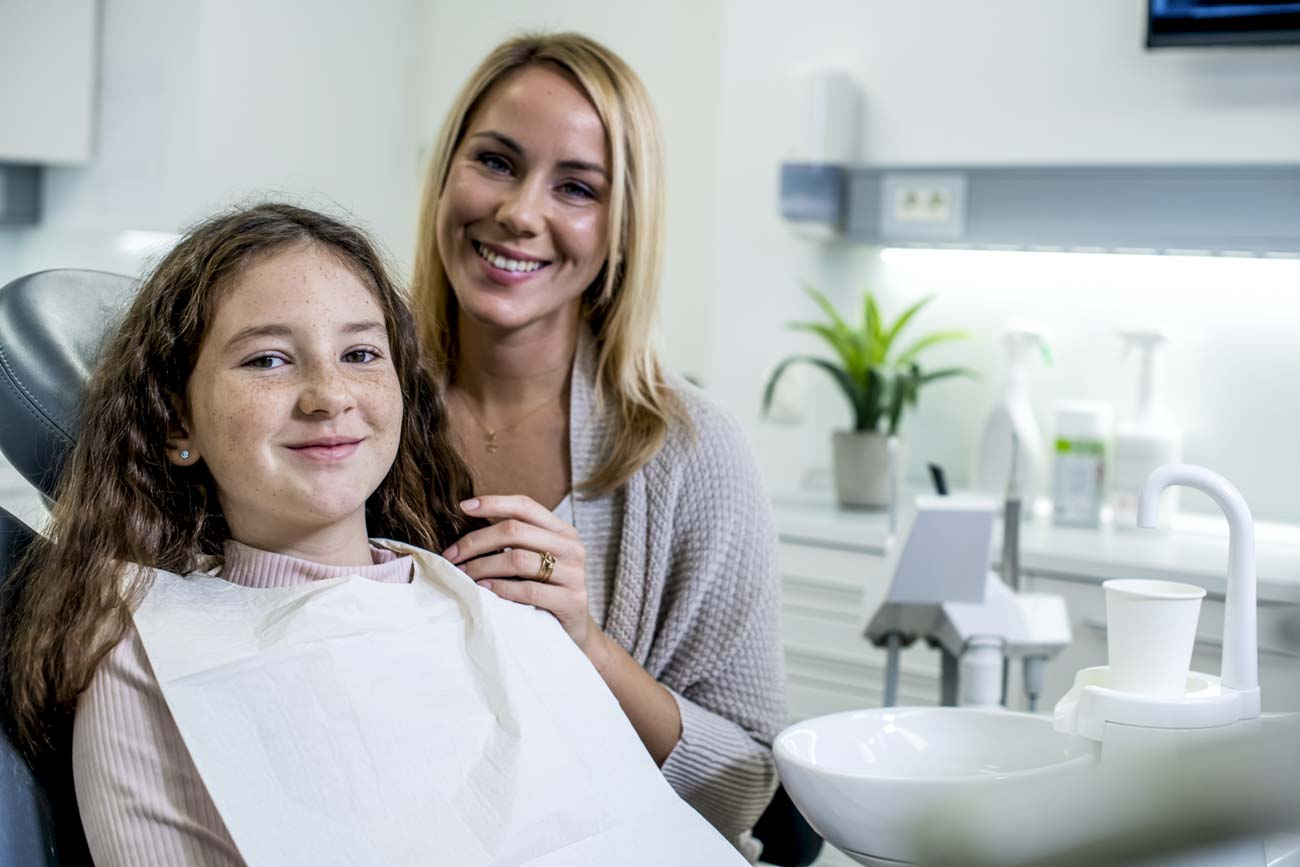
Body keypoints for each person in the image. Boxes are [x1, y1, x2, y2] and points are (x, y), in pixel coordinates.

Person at [1, 203, 746, 866]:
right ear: (176, 422)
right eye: (267, 359)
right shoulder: (147, 644)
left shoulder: (494, 601)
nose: (330, 396)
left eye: (360, 354)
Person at [412, 32, 785, 847]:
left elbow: (745, 787)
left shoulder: (693, 454)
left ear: (621, 229)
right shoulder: (354, 405)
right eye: (497, 163)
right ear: (445, 175)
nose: (519, 212)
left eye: (576, 188)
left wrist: (585, 643)